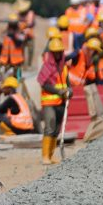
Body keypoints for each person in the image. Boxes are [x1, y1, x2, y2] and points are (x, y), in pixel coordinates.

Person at [37, 37, 71, 165]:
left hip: (61, 103)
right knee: (50, 128)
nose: (57, 54)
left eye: (59, 52)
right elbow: (44, 84)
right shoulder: (47, 66)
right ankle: (45, 156)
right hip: (49, 103)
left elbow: (68, 84)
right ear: (51, 53)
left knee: (56, 130)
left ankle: (51, 156)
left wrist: (70, 91)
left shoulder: (64, 67)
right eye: (55, 52)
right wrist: (58, 92)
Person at [0, 14, 28, 80]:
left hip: (16, 63)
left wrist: (13, 36)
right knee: (4, 82)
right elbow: (0, 47)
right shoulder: (4, 34)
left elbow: (19, 44)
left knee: (15, 81)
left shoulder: (20, 34)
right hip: (5, 62)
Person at [14, 0, 36, 64]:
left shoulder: (30, 13)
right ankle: (21, 63)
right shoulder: (18, 14)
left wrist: (23, 25)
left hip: (29, 35)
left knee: (30, 50)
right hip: (21, 35)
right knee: (21, 49)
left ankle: (29, 64)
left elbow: (30, 23)